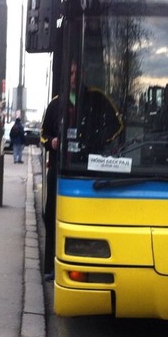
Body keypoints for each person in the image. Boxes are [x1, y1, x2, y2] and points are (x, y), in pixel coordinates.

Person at [40, 60, 122, 280]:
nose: (74, 77)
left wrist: (96, 141)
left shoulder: (98, 98)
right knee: (51, 215)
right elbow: (43, 135)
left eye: (77, 72)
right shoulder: (56, 104)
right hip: (59, 169)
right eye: (70, 73)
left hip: (89, 168)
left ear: (84, 74)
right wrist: (52, 142)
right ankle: (51, 267)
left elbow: (117, 127)